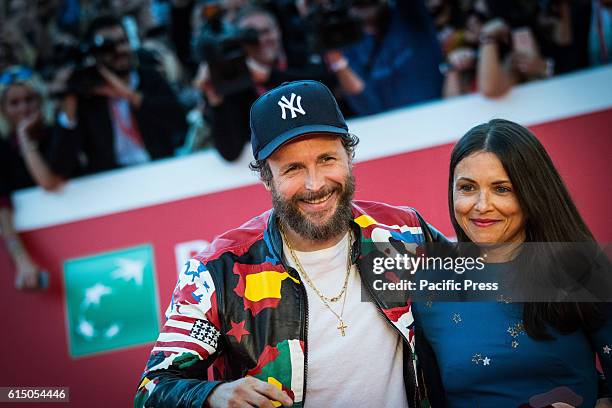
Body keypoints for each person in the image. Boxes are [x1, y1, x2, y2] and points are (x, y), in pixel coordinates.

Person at [135, 80, 447, 407]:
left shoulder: (403, 231)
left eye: (327, 159)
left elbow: (487, 300)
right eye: (293, 168)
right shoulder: (217, 272)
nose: (315, 184)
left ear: (349, 156)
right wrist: (214, 395)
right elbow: (151, 390)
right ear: (266, 176)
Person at [413, 119, 612, 407]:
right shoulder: (428, 285)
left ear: (532, 193)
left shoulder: (581, 268)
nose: (482, 205)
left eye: (502, 189)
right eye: (467, 188)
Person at [50, 15, 187, 178]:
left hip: (160, 173)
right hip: (112, 186)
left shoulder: (149, 78)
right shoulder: (87, 98)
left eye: (123, 42)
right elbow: (61, 167)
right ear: (94, 54)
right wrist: (69, 108)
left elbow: (179, 124)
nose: (119, 50)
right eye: (109, 47)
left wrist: (130, 95)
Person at [0, 66, 63, 289]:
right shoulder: (2, 149)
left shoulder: (58, 132)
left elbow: (49, 182)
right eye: (14, 103)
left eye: (30, 99)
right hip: (38, 246)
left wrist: (25, 140)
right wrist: (22, 260)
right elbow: (3, 210)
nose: (24, 108)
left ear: (41, 100)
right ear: (3, 109)